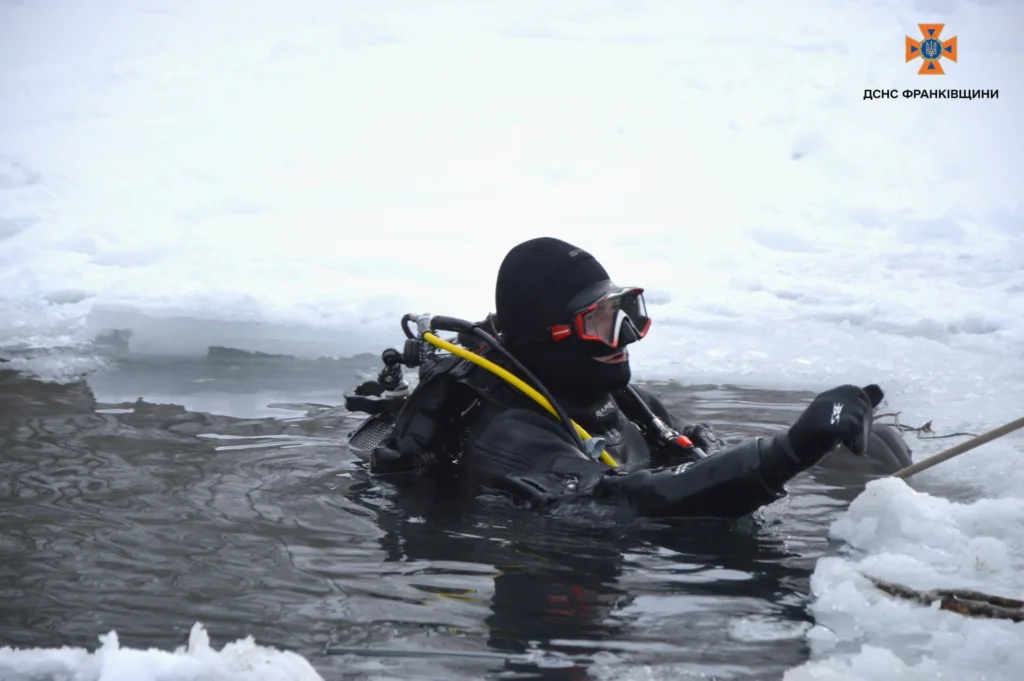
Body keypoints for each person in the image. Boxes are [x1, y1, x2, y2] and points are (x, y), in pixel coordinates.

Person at [362, 236, 894, 522]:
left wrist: (824, 452)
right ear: (548, 336)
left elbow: (692, 459)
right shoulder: (512, 436)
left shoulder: (624, 402)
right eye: (598, 321)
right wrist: (791, 451)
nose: (624, 336)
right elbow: (622, 504)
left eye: (625, 313)